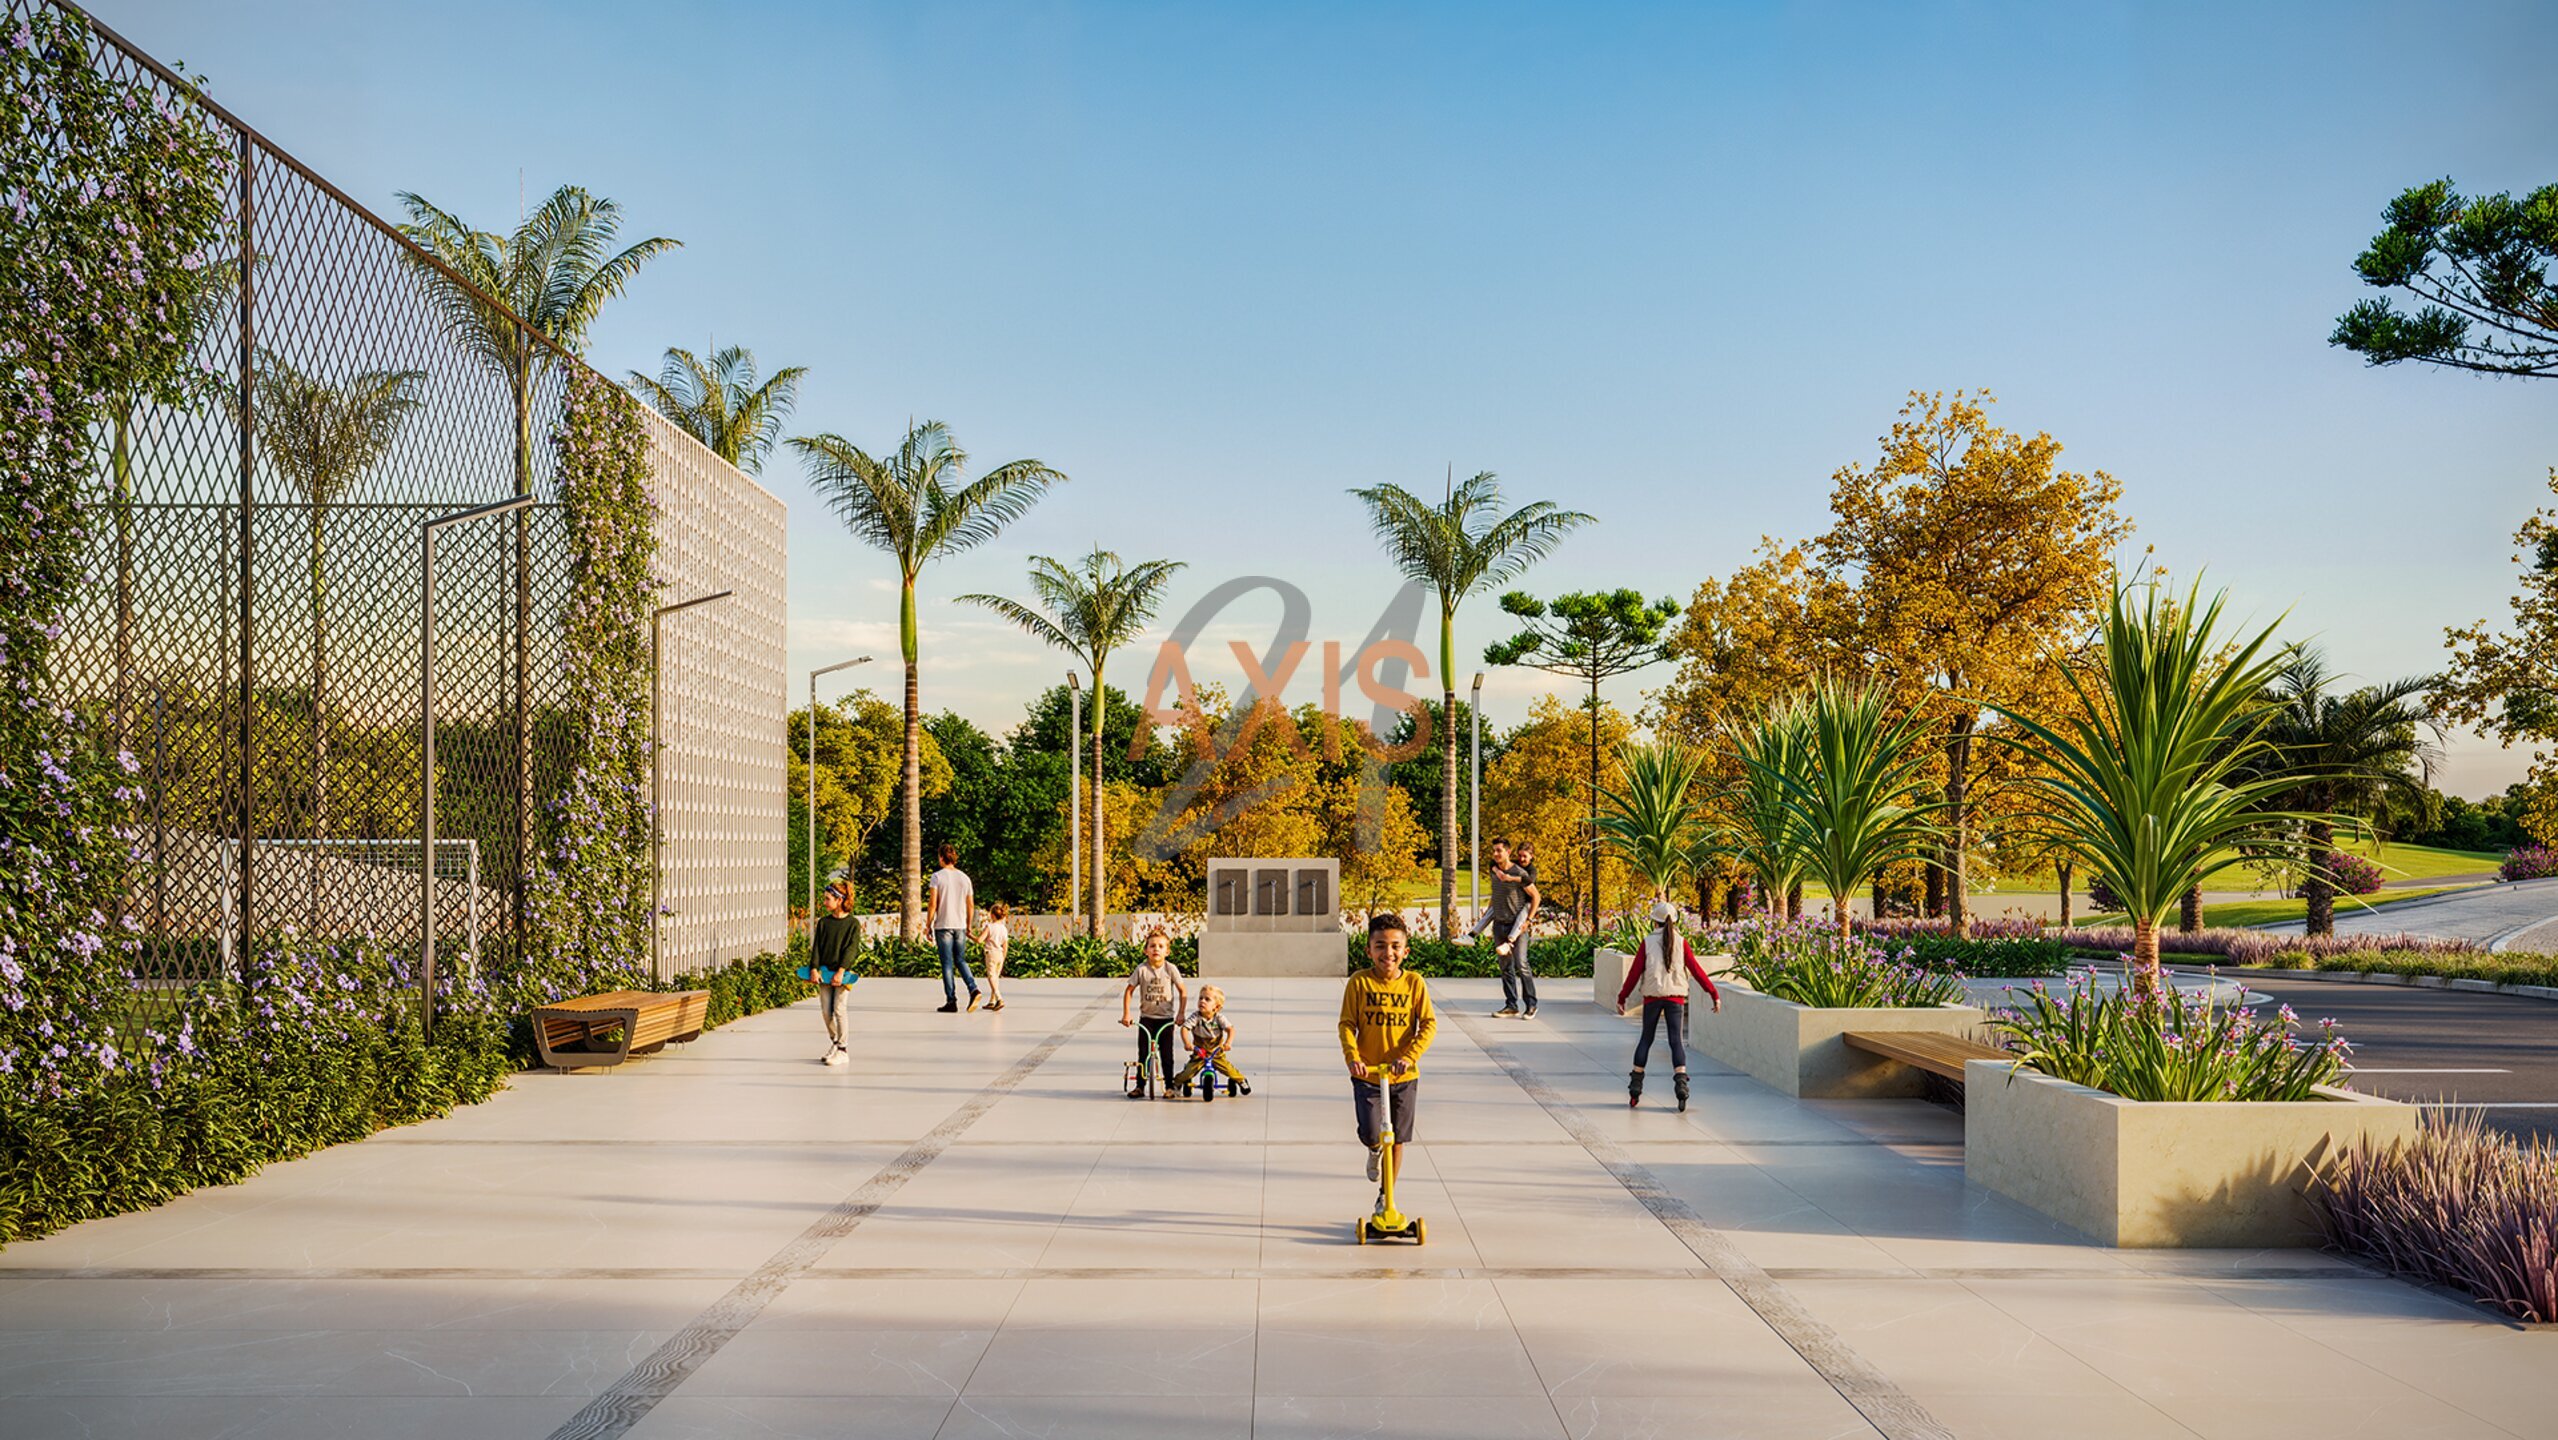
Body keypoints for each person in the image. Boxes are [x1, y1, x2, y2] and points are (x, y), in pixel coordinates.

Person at [1339, 912, 1435, 1216]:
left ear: (1406, 951)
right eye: (1380, 946)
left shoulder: (1414, 983)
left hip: (1403, 1076)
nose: (1388, 953)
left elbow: (1428, 1025)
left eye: (1395, 946)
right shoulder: (1359, 982)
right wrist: (1353, 1058)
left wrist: (1409, 1057)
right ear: (1369, 950)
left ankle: (1385, 1196)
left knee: (1397, 1138)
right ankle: (1373, 1148)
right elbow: (1347, 1024)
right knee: (1372, 1132)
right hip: (1368, 1074)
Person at [1614, 899, 1721, 1109]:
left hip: (1652, 997)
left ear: (1654, 922)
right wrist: (1713, 993)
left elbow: (1634, 973)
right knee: (1676, 1041)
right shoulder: (1681, 942)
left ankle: (1635, 1087)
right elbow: (1696, 970)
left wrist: (1622, 997)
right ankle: (1681, 1086)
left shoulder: (1647, 942)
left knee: (1646, 1039)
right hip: (1675, 998)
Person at [1120, 926, 1187, 1097]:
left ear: (1167, 951)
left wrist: (1181, 1013)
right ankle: (1140, 1086)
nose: (1156, 949)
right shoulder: (1141, 969)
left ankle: (1169, 1086)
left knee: (1167, 1054)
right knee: (1143, 1054)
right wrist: (1127, 1014)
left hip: (1166, 1019)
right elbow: (1129, 991)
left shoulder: (1170, 969)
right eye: (1152, 946)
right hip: (1147, 1019)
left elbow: (1182, 991)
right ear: (1145, 951)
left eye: (1161, 946)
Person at [807, 881, 862, 1066]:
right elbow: (817, 947)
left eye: (827, 899)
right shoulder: (824, 923)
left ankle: (843, 1050)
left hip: (843, 974)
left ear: (839, 900)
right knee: (826, 1012)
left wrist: (841, 971)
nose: (824, 902)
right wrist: (814, 968)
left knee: (839, 1009)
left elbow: (851, 949)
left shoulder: (852, 924)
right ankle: (836, 1043)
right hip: (824, 973)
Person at [927, 843, 981, 1013]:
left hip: (943, 925)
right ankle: (973, 989)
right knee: (961, 960)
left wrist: (928, 925)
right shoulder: (965, 878)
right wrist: (968, 925)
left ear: (941, 857)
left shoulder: (937, 877)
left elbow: (933, 904)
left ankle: (951, 1001)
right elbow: (970, 905)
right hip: (960, 925)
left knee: (947, 963)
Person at [1173, 984, 1251, 1098]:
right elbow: (1185, 1028)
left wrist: (1228, 1043)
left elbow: (1230, 1029)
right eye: (1200, 998)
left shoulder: (1219, 1018)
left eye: (1207, 999)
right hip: (1200, 1052)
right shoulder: (1196, 1017)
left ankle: (1241, 1080)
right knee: (1188, 1071)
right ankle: (1176, 1084)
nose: (1202, 1001)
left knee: (1228, 1069)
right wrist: (1187, 1043)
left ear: (1216, 1007)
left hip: (1216, 1052)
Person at [979, 901, 1011, 1012]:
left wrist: (970, 935)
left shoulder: (989, 927)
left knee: (991, 977)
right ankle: (992, 1001)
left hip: (991, 953)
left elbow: (979, 940)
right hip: (1000, 954)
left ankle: (999, 998)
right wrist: (1003, 957)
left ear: (992, 915)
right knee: (996, 978)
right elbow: (1005, 945)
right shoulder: (1003, 928)